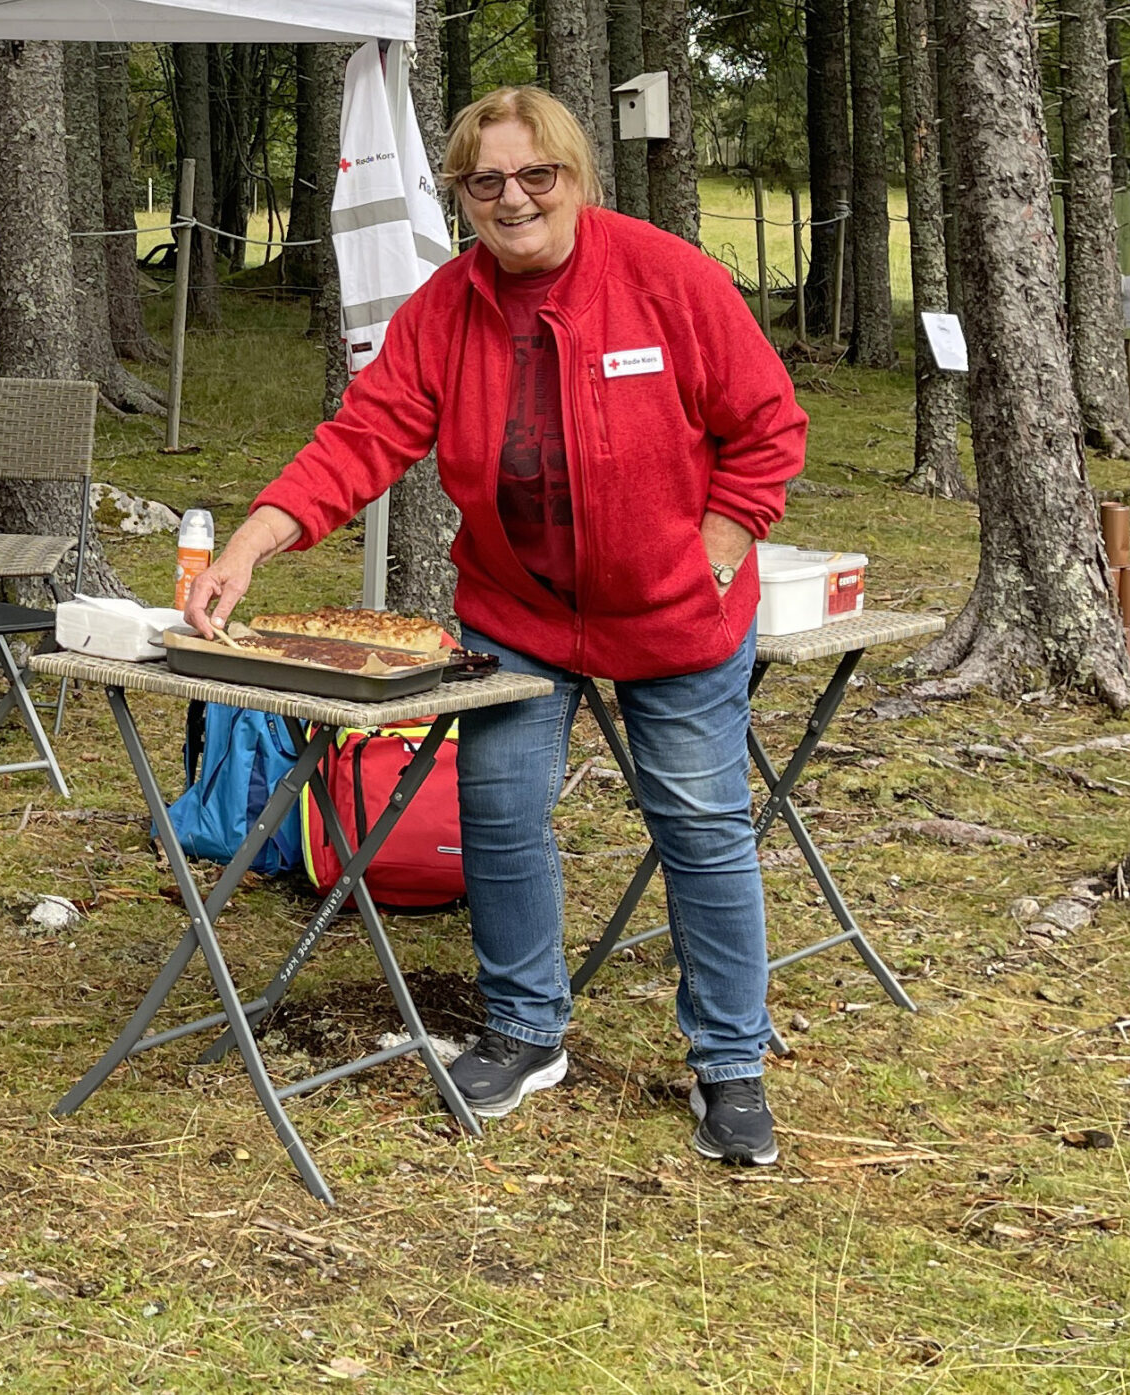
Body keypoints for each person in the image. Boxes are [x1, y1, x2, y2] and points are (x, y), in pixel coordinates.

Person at [183, 86, 807, 1165]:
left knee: (701, 835)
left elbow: (766, 429)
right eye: (486, 182)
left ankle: (729, 1064)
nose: (512, 199)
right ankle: (524, 1029)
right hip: (518, 618)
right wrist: (252, 541)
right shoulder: (446, 308)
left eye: (536, 176)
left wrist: (712, 553)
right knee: (502, 820)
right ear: (462, 196)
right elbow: (364, 436)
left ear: (577, 179)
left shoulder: (668, 279)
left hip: (676, 621)